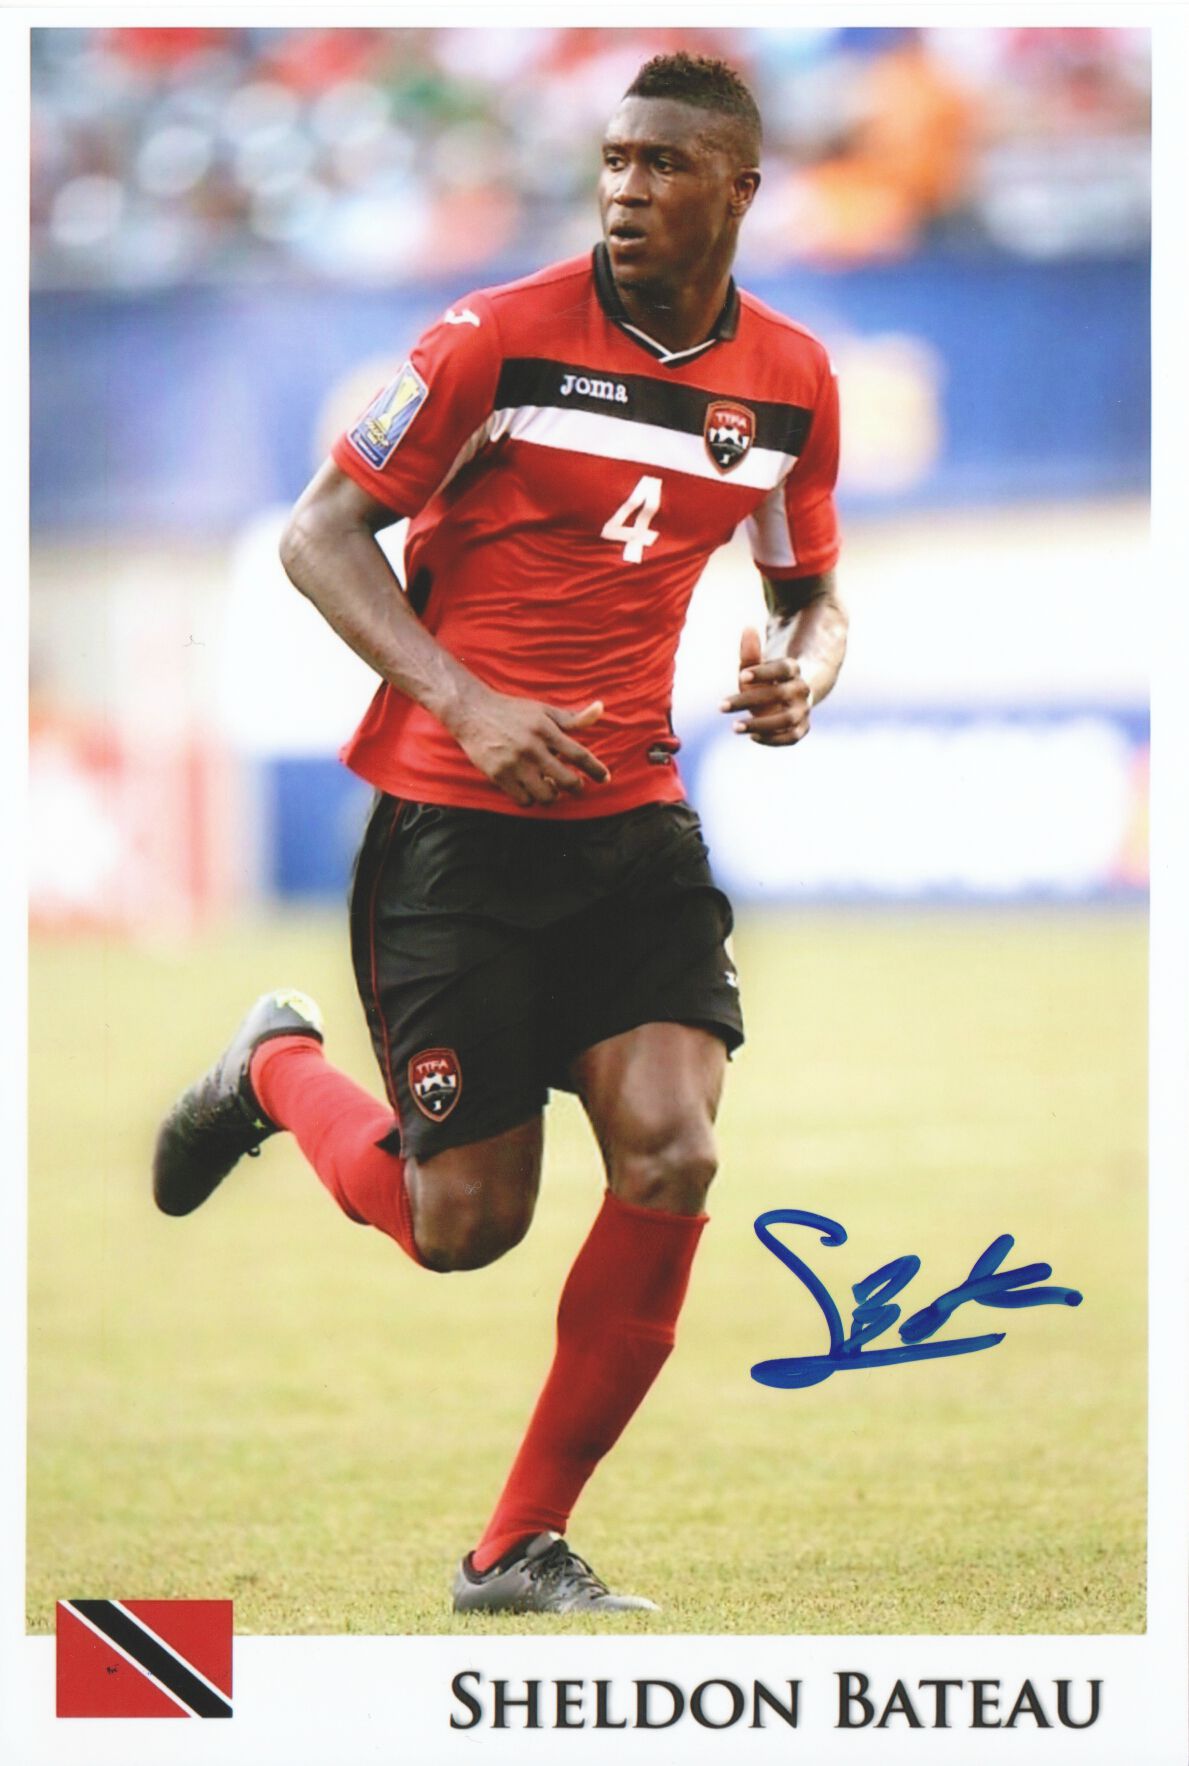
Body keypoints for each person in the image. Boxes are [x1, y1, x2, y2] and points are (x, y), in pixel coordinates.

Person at [153, 51, 848, 1616]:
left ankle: (515, 1544)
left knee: (673, 1149)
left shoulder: (792, 380)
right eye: (612, 159)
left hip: (632, 825)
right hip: (454, 833)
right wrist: (466, 703)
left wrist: (801, 672)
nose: (624, 189)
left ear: (740, 190)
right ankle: (275, 1066)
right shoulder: (494, 337)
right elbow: (319, 535)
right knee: (461, 1223)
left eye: (663, 165)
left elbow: (811, 597)